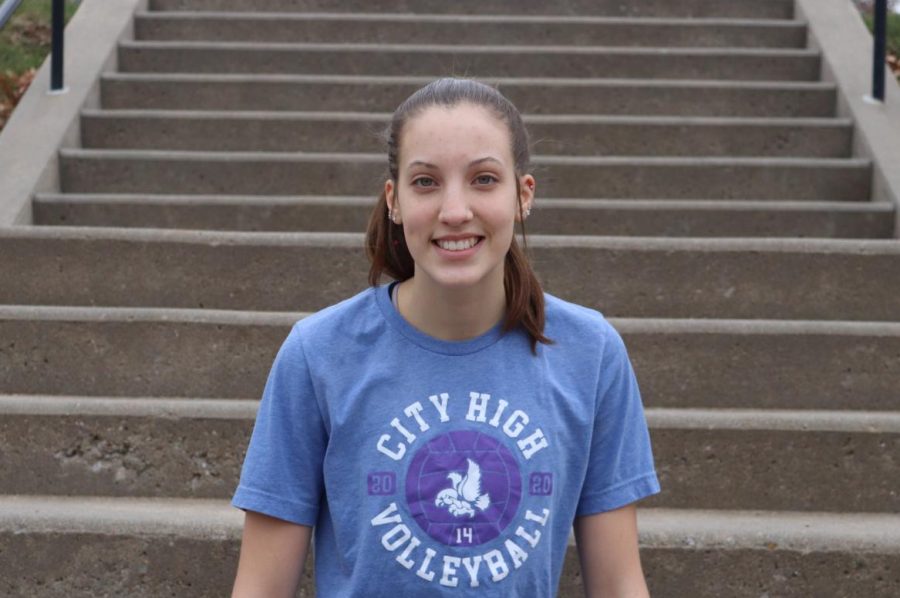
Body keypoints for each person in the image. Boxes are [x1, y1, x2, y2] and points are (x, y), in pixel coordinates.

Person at [230, 77, 660, 597]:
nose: (454, 211)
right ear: (394, 200)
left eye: (483, 179)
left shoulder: (590, 353)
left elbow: (618, 584)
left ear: (523, 195)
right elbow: (260, 588)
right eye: (426, 182)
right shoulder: (319, 353)